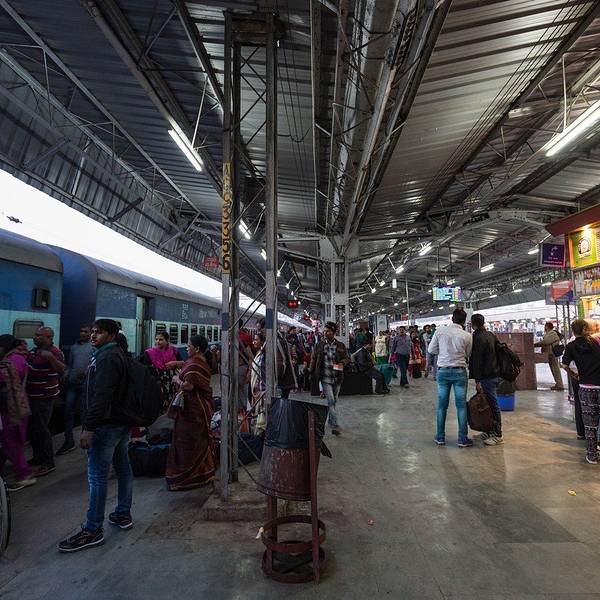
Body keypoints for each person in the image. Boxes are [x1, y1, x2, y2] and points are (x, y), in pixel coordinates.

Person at [58, 319, 133, 553]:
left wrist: (89, 427)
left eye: (98, 333)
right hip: (119, 423)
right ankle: (122, 514)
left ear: (111, 335)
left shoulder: (107, 357)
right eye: (92, 332)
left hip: (105, 426)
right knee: (123, 468)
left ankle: (92, 529)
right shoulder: (116, 354)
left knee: (97, 477)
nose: (93, 336)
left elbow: (101, 395)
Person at [166, 335, 216, 490]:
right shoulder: (199, 361)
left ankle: (186, 477)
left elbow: (188, 386)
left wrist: (177, 379)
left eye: (189, 346)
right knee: (198, 441)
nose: (187, 348)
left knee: (186, 442)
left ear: (197, 348)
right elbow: (187, 364)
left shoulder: (195, 365)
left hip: (192, 410)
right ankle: (203, 472)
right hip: (199, 408)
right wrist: (177, 363)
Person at [428, 308, 473, 447]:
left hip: (443, 372)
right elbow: (468, 354)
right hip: (459, 372)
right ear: (464, 321)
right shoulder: (467, 336)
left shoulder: (440, 331)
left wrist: (443, 352)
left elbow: (431, 350)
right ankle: (462, 439)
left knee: (442, 406)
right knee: (461, 407)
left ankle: (440, 437)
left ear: (452, 319)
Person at [26, 326, 66, 477]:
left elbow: (62, 369)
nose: (34, 337)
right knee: (34, 429)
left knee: (42, 429)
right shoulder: (34, 351)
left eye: (38, 335)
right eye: (35, 334)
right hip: (32, 395)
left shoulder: (55, 352)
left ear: (49, 338)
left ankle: (48, 463)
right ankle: (38, 457)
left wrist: (51, 358)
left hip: (44, 397)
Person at [561, 320, 600, 464]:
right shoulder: (596, 342)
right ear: (585, 329)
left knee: (590, 425)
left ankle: (592, 455)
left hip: (586, 388)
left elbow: (564, 365)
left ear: (573, 331)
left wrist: (574, 374)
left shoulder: (571, 346)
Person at [0, 335, 36, 491]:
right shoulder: (19, 358)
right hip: (20, 404)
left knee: (10, 441)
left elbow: (4, 381)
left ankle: (25, 475)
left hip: (11, 408)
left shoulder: (9, 362)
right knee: (9, 440)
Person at [57, 325, 93, 456]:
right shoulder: (74, 347)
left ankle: (86, 439)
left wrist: (87, 372)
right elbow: (70, 365)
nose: (83, 333)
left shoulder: (93, 347)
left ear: (90, 333)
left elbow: (96, 364)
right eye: (81, 331)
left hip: (86, 385)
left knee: (84, 413)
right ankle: (69, 441)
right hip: (72, 384)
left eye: (86, 332)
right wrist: (66, 375)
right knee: (68, 411)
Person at [309, 321, 350, 435]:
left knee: (334, 401)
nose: (325, 333)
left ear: (333, 332)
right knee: (331, 400)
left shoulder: (340, 345)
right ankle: (335, 425)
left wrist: (342, 363)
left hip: (337, 377)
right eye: (325, 331)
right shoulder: (319, 345)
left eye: (328, 331)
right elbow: (313, 358)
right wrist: (310, 371)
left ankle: (331, 421)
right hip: (325, 377)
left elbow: (347, 358)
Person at [469, 314, 503, 446]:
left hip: (487, 376)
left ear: (473, 324)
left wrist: (477, 380)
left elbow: (477, 360)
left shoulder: (478, 337)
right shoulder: (490, 335)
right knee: (487, 404)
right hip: (494, 373)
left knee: (492, 405)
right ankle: (489, 431)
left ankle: (498, 434)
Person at [142, 331, 182, 409]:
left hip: (173, 382)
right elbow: (147, 369)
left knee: (172, 403)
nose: (158, 341)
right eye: (156, 339)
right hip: (158, 381)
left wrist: (175, 363)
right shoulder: (149, 353)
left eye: (161, 339)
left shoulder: (174, 351)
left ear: (167, 341)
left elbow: (182, 364)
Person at [534, 322, 564, 391]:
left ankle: (560, 385)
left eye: (545, 326)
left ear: (547, 326)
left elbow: (546, 342)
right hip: (550, 354)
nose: (544, 327)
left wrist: (535, 344)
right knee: (553, 369)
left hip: (553, 353)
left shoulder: (552, 333)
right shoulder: (548, 333)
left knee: (555, 369)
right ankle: (558, 384)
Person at [249, 333, 267, 436]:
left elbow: (262, 373)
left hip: (260, 392)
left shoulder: (263, 355)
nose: (253, 342)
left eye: (256, 340)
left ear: (262, 341)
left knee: (260, 416)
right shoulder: (258, 353)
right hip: (255, 391)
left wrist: (261, 390)